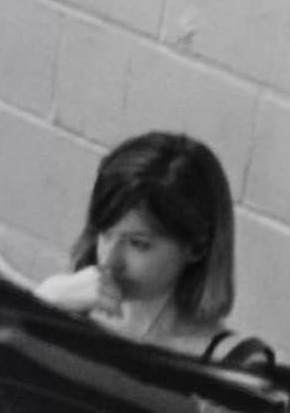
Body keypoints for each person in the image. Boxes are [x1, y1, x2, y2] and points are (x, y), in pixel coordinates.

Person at [34, 131, 275, 368]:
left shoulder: (235, 363)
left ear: (197, 248)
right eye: (105, 234)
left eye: (138, 244)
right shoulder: (66, 310)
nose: (110, 261)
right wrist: (40, 305)